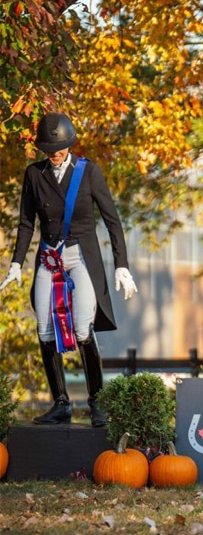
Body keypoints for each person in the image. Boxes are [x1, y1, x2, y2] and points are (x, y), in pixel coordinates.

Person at [0, 112, 139, 427]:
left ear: (70, 143)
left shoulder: (89, 172)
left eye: (59, 146)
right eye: (49, 147)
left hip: (80, 258)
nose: (54, 152)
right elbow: (25, 223)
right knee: (44, 330)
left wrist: (122, 265)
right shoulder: (34, 174)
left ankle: (97, 403)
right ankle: (60, 403)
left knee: (81, 329)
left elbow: (112, 220)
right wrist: (17, 262)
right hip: (48, 257)